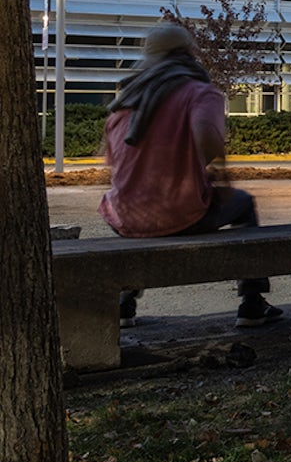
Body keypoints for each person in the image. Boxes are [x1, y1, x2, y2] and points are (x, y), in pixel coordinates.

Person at [100, 23, 280, 328]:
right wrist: (220, 178)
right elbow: (207, 139)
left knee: (147, 218)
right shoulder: (200, 92)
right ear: (188, 53)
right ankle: (251, 302)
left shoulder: (125, 102)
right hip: (181, 214)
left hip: (124, 217)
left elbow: (114, 164)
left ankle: (124, 305)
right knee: (244, 205)